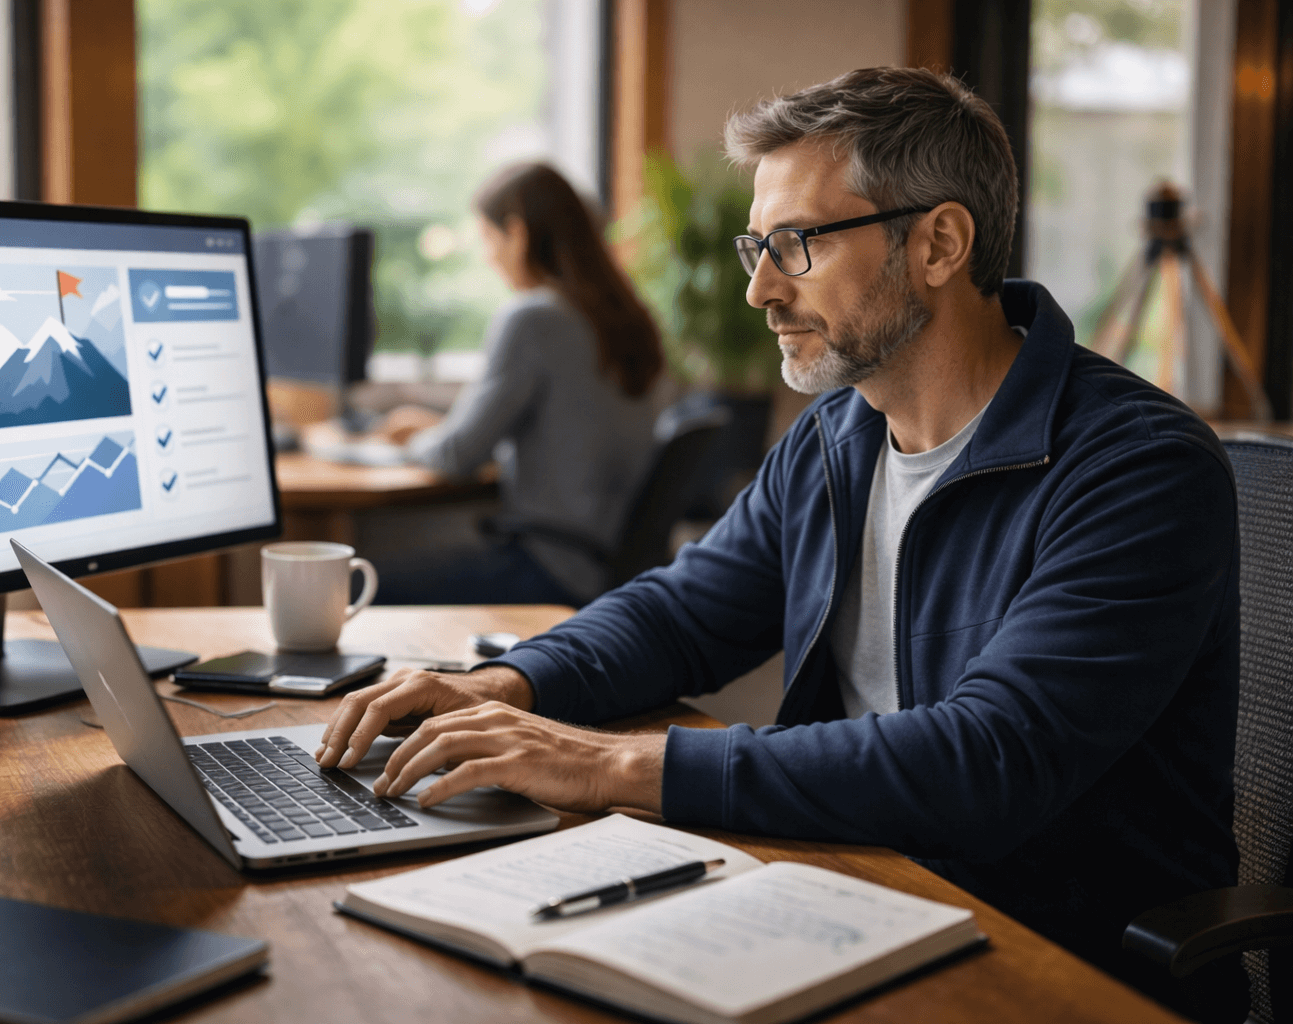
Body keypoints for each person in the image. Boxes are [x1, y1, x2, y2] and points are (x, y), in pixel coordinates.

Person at [317, 69, 1243, 1016]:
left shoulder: (1137, 468)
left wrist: (605, 764)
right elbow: (683, 614)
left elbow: (988, 760)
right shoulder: (838, 436)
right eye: (757, 246)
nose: (761, 288)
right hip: (854, 889)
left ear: (939, 244)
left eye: (797, 244)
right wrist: (505, 686)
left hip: (1054, 962)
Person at [369, 162, 670, 607]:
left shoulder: (533, 317)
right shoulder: (628, 318)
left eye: (488, 238)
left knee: (355, 583)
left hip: (550, 569)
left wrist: (412, 439)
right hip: (607, 566)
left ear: (517, 232)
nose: (488, 256)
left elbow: (457, 457)